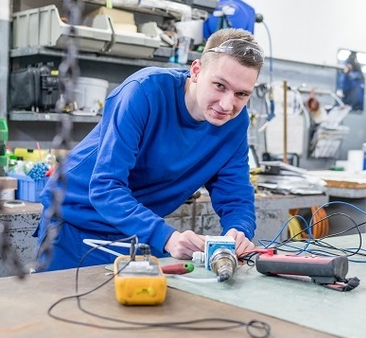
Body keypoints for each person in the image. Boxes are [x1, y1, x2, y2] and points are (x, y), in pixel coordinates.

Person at [34, 28, 264, 271]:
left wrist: (238, 230)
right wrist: (166, 237)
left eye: (241, 94)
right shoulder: (144, 91)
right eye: (219, 85)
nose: (228, 104)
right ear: (196, 71)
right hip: (77, 224)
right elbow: (105, 187)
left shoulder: (235, 122)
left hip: (138, 230)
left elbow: (235, 193)